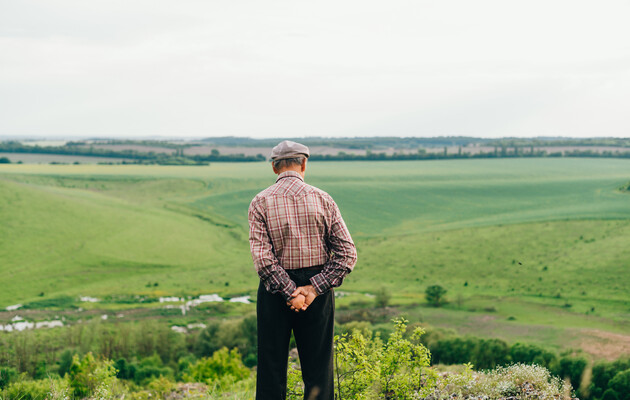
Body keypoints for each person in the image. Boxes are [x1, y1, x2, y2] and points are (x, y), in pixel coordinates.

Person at [248, 140, 358, 400]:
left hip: (274, 292)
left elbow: (263, 261)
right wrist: (312, 289)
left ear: (275, 167)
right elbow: (347, 255)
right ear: (304, 164)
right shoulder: (323, 199)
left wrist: (289, 293)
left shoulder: (260, 201)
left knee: (271, 368)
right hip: (317, 294)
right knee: (319, 369)